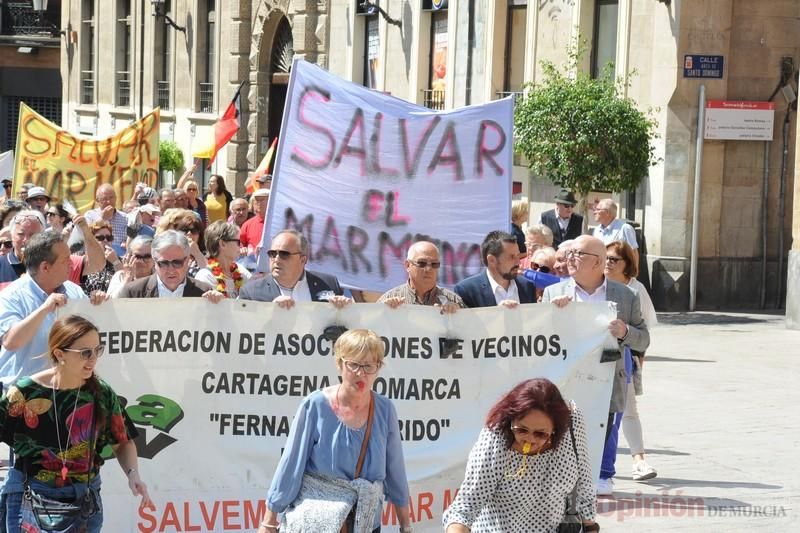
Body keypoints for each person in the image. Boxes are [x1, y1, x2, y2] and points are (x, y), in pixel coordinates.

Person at [0, 314, 154, 531]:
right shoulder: (24, 393)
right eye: (85, 353)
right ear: (59, 354)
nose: (93, 359)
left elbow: (123, 442)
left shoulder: (101, 394)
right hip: (31, 495)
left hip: (85, 499)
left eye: (97, 350)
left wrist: (133, 474)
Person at [258, 329, 412, 533]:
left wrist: (406, 525)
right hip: (317, 519)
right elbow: (291, 463)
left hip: (365, 521)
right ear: (339, 364)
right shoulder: (315, 405)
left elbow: (396, 472)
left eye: (368, 366)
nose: (361, 373)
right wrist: (269, 522)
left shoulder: (385, 409)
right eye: (354, 364)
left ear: (378, 368)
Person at [541, 235, 649, 496]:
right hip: (566, 379)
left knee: (603, 427)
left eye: (578, 254)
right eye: (569, 253)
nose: (570, 258)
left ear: (598, 262)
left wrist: (624, 331)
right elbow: (541, 338)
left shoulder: (626, 296)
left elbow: (643, 338)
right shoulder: (553, 293)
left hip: (606, 379)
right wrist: (551, 316)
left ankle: (602, 473)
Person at [443, 378, 598, 532]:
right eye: (521, 430)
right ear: (511, 421)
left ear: (555, 430)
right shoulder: (496, 438)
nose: (530, 439)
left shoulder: (571, 424)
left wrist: (590, 526)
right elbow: (466, 506)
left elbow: (584, 482)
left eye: (541, 434)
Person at [0, 231, 106, 389]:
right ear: (45, 267)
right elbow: (11, 342)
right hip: (23, 395)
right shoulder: (11, 296)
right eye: (65, 260)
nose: (71, 264)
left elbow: (90, 333)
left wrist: (100, 303)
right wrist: (44, 309)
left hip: (66, 393)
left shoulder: (74, 291)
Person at [604, 240, 658, 482]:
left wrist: (640, 361)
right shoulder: (598, 286)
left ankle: (639, 460)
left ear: (627, 264)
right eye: (605, 258)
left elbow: (644, 331)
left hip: (626, 357)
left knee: (628, 409)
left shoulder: (636, 291)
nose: (607, 263)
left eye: (614, 259)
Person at [238, 229, 346, 306]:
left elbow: (343, 329)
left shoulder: (328, 284)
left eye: (284, 254)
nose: (276, 259)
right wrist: (270, 313)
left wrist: (344, 310)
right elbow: (243, 331)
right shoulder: (251, 293)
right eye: (272, 254)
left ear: (302, 260)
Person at [0, 210, 104, 287]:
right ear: (12, 235)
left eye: (32, 235)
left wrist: (86, 231)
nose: (26, 240)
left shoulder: (59, 261)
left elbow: (97, 264)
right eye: (21, 234)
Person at [118, 230, 221, 300]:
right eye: (163, 263)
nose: (171, 269)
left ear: (187, 261)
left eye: (177, 263)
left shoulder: (204, 292)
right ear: (154, 262)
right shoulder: (133, 292)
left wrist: (219, 305)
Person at [454, 231, 536, 308]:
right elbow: (466, 323)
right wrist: (496, 314)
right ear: (492, 260)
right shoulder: (467, 291)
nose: (518, 262)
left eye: (518, 255)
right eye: (511, 257)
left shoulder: (528, 287)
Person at [378, 241, 464, 313]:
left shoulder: (454, 301)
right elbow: (371, 329)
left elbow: (469, 330)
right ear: (408, 265)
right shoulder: (388, 300)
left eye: (434, 264)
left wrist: (457, 316)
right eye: (422, 263)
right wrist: (383, 312)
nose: (428, 269)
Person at [195, 221, 251, 298]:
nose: (241, 246)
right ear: (222, 244)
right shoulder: (205, 276)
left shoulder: (241, 270)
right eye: (238, 242)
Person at [156, 208, 208, 276]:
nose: (189, 234)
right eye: (184, 230)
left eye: (194, 230)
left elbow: (213, 278)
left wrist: (197, 253)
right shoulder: (165, 255)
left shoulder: (206, 255)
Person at [80, 220, 123, 295]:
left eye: (109, 238)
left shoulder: (119, 260)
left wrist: (115, 262)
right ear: (91, 240)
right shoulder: (82, 260)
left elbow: (125, 282)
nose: (106, 240)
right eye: (100, 238)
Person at [592, 199, 638, 264]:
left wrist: (633, 273)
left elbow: (633, 253)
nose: (594, 212)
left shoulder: (625, 228)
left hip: (618, 272)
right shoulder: (596, 230)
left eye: (597, 209)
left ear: (607, 212)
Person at [239, 188, 269, 255]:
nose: (258, 203)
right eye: (255, 200)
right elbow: (239, 244)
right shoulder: (247, 224)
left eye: (261, 200)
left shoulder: (278, 222)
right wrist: (242, 249)